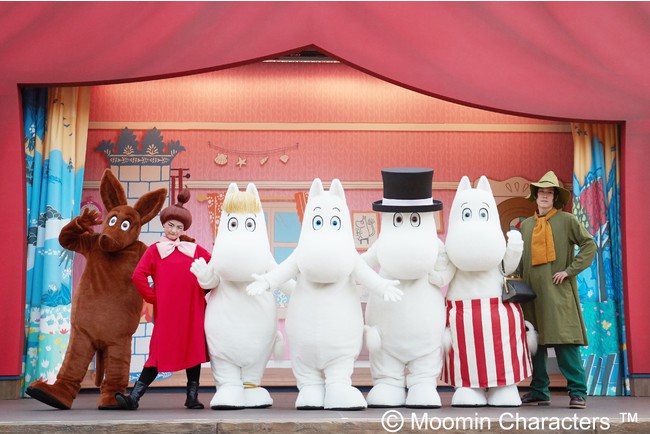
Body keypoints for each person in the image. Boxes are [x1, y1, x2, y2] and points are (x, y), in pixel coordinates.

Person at [115, 188, 211, 410]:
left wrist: (205, 290)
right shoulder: (155, 250)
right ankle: (134, 398)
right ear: (164, 224)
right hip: (167, 313)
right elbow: (138, 275)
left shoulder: (195, 249)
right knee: (157, 354)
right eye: (170, 225)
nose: (174, 230)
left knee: (193, 351)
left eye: (179, 227)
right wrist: (153, 297)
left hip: (192, 310)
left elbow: (213, 268)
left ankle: (192, 397)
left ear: (184, 229)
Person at [518, 171, 596, 409]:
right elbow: (519, 260)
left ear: (555, 198)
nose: (544, 196)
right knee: (535, 343)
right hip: (532, 294)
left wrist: (569, 271)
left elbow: (589, 245)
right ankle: (539, 390)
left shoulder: (567, 220)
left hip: (558, 292)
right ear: (535, 196)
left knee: (565, 342)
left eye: (549, 193)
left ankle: (578, 392)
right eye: (541, 192)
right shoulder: (526, 226)